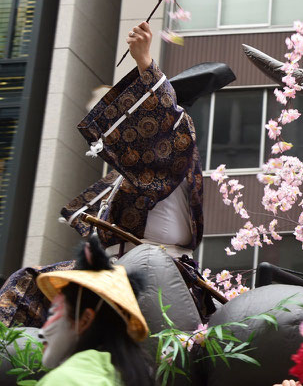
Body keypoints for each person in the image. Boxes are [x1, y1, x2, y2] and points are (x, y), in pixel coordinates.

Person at [0, 22, 234, 328]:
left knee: (29, 287)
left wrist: (145, 62)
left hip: (150, 272)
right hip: (118, 266)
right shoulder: (136, 173)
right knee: (27, 285)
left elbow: (167, 119)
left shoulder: (176, 142)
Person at [34, 235, 154, 386]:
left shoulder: (66, 380)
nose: (41, 331)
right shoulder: (131, 376)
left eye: (52, 314)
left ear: (85, 320)